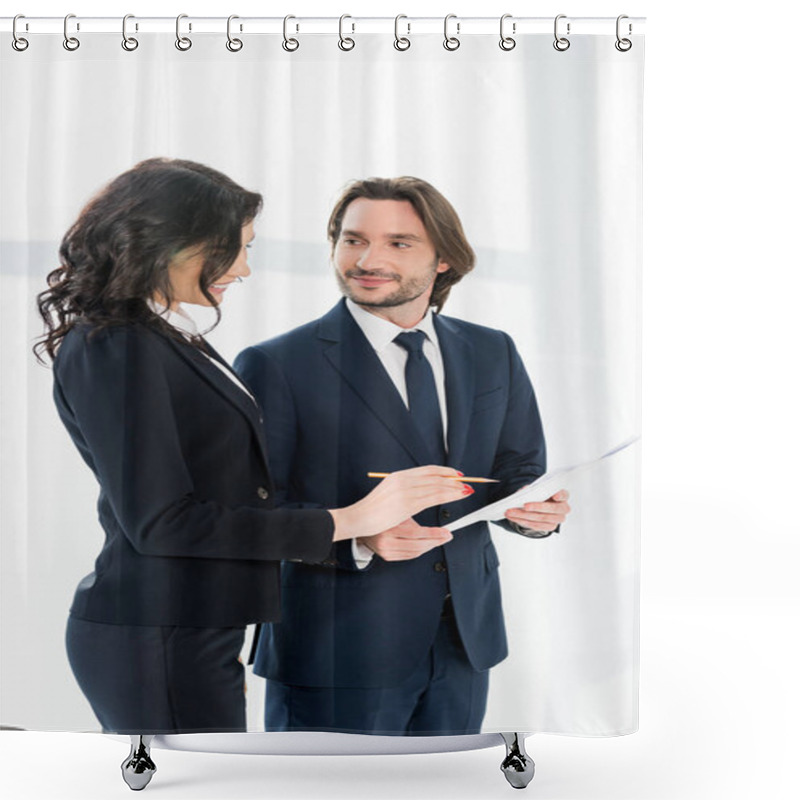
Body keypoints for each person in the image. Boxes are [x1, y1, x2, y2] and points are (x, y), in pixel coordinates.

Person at [34, 160, 470, 735]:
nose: (241, 268)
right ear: (172, 242)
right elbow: (164, 522)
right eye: (231, 250)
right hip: (158, 629)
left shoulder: (162, 335)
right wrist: (346, 519)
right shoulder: (117, 345)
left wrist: (356, 530)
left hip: (194, 625)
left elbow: (224, 490)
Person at [234, 176, 571, 736]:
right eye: (352, 239)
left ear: (444, 259)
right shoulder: (276, 364)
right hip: (336, 646)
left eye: (399, 243)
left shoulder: (493, 352)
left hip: (464, 640)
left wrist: (536, 513)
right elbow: (249, 511)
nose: (367, 259)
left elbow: (518, 470)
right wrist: (358, 540)